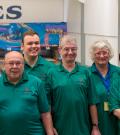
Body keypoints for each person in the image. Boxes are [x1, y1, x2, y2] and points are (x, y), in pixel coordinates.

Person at [46, 35, 101, 135]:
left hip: (83, 129)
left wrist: (95, 127)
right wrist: (50, 128)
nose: (70, 52)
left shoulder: (86, 72)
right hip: (59, 129)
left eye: (73, 49)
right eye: (66, 49)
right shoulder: (51, 73)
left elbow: (92, 103)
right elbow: (47, 105)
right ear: (60, 50)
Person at [0, 51, 55, 135]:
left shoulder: (36, 82)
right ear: (4, 65)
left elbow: (45, 113)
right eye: (11, 63)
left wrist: (50, 133)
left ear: (23, 65)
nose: (15, 66)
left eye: (18, 63)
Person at [89, 40, 119, 135]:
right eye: (98, 53)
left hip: (117, 119)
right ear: (93, 55)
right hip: (97, 121)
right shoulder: (87, 74)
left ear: (109, 54)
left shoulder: (118, 72)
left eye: (105, 52)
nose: (102, 56)